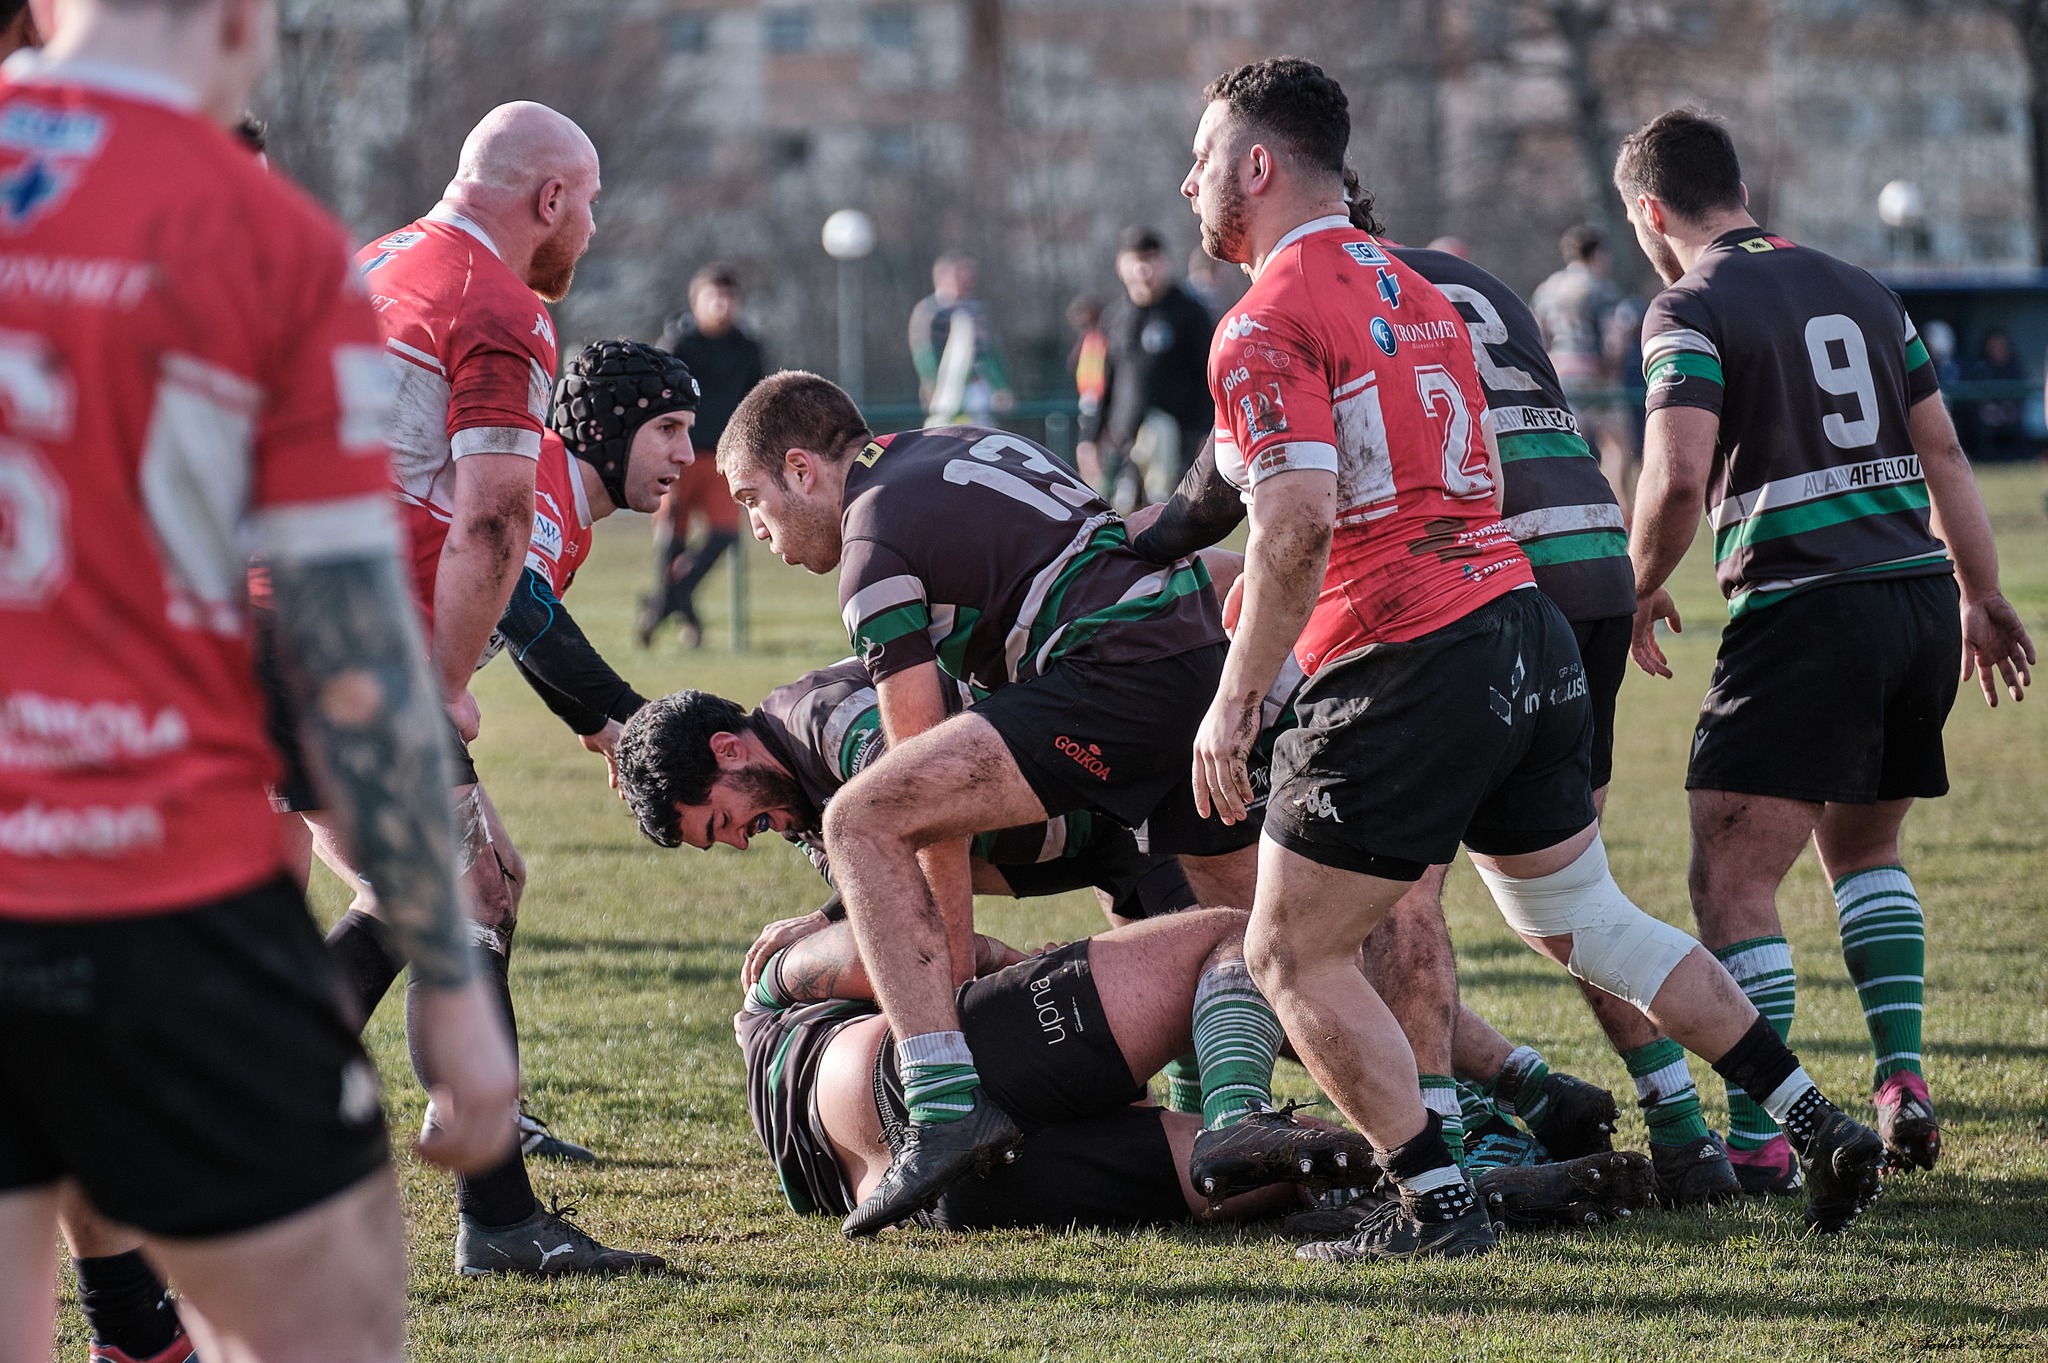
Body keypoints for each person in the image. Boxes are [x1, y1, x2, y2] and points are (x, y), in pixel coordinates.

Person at [1176, 57, 1887, 1262]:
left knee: (1287, 950)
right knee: (1585, 919)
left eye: (1200, 157)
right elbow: (1466, 476)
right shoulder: (1420, 288)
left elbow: (1294, 522)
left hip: (1407, 655)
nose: (1189, 181)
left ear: (1256, 166)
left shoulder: (1262, 319)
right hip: (1521, 625)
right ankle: (1812, 1117)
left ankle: (1436, 1207)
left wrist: (1234, 698)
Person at [0, 2, 518, 1360]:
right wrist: (455, 990)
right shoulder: (271, 244)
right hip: (156, 890)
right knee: (333, 1317)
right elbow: (347, 648)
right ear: (238, 19)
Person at [1133, 226, 1740, 1207]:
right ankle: (1685, 1128)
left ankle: (1446, 1158)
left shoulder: (1324, 296)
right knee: (1570, 895)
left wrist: (1142, 539)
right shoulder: (1471, 278)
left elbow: (1259, 496)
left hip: (1457, 588)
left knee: (1402, 893)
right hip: (1577, 565)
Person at [717, 372, 1290, 1237]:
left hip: (1115, 671)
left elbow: (918, 795)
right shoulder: (955, 446)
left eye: (751, 500)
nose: (757, 530)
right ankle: (1417, 1130)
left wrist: (942, 996)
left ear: (801, 470)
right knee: (1265, 934)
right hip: (1189, 652)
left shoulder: (873, 547)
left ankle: (943, 1106)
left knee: (861, 818)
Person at [1617, 108, 2036, 1191]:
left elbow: (1669, 476)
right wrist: (1979, 594)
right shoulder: (1863, 285)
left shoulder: (1688, 303)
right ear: (1739, 185)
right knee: (1862, 851)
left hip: (1803, 610)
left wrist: (1636, 581)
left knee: (1730, 877)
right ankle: (1900, 1075)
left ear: (1650, 212)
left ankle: (1762, 1141)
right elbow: (1939, 448)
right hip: (1913, 604)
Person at [332, 100, 662, 1276]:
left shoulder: (371, 261)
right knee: (464, 887)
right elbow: (492, 514)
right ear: (552, 200)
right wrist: (439, 682)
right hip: (349, 648)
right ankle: (499, 1218)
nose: (593, 227)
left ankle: (490, 1197)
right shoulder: (495, 300)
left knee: (452, 886)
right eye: (594, 203)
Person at [737, 908, 1653, 1233]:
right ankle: (1243, 1110)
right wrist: (1019, 958)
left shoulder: (770, 1082)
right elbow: (915, 942)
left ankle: (1472, 1188)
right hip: (931, 1090)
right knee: (1237, 939)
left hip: (953, 1199)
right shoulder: (776, 972)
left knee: (1290, 1173)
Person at [612, 664, 1202, 930]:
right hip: (1096, 838)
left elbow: (920, 808)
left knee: (1248, 979)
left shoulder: (825, 724)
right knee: (1187, 997)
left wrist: (957, 982)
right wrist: (821, 922)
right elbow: (870, 890)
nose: (741, 841)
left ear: (728, 750)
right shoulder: (790, 803)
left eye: (721, 821)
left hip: (1125, 802)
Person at [500, 339, 698, 778]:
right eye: (667, 428)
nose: (685, 453)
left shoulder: (575, 522)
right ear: (602, 429)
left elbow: (516, 627)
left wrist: (592, 722)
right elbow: (518, 607)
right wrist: (639, 716)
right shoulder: (538, 470)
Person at [644, 264, 767, 646]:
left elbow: (756, 400)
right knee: (671, 541)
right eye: (714, 297)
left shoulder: (748, 349)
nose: (722, 305)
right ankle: (681, 616)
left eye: (729, 297)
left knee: (724, 535)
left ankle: (664, 605)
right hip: (678, 456)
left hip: (723, 459)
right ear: (696, 302)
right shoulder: (679, 346)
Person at [1076, 226, 1218, 510]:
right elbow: (1104, 382)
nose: (1144, 269)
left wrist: (1207, 433)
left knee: (1171, 527)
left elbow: (1209, 378)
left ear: (1164, 262)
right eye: (1136, 260)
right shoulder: (1114, 317)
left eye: (1151, 259)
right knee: (1123, 524)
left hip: (1180, 444)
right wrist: (1089, 439)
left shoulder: (1190, 313)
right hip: (1124, 444)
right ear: (1121, 266)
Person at [1532, 224, 1638, 515]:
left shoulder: (1547, 289)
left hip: (1562, 372)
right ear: (1598, 254)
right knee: (1617, 443)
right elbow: (1613, 337)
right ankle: (1618, 506)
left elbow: (1538, 334)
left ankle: (1568, 506)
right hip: (1596, 373)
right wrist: (1612, 369)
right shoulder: (1601, 288)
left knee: (1567, 442)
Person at [908, 253, 1013, 426]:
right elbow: (924, 352)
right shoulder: (929, 311)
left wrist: (999, 384)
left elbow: (989, 351)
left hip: (978, 386)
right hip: (948, 388)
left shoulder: (977, 309)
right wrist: (933, 384)